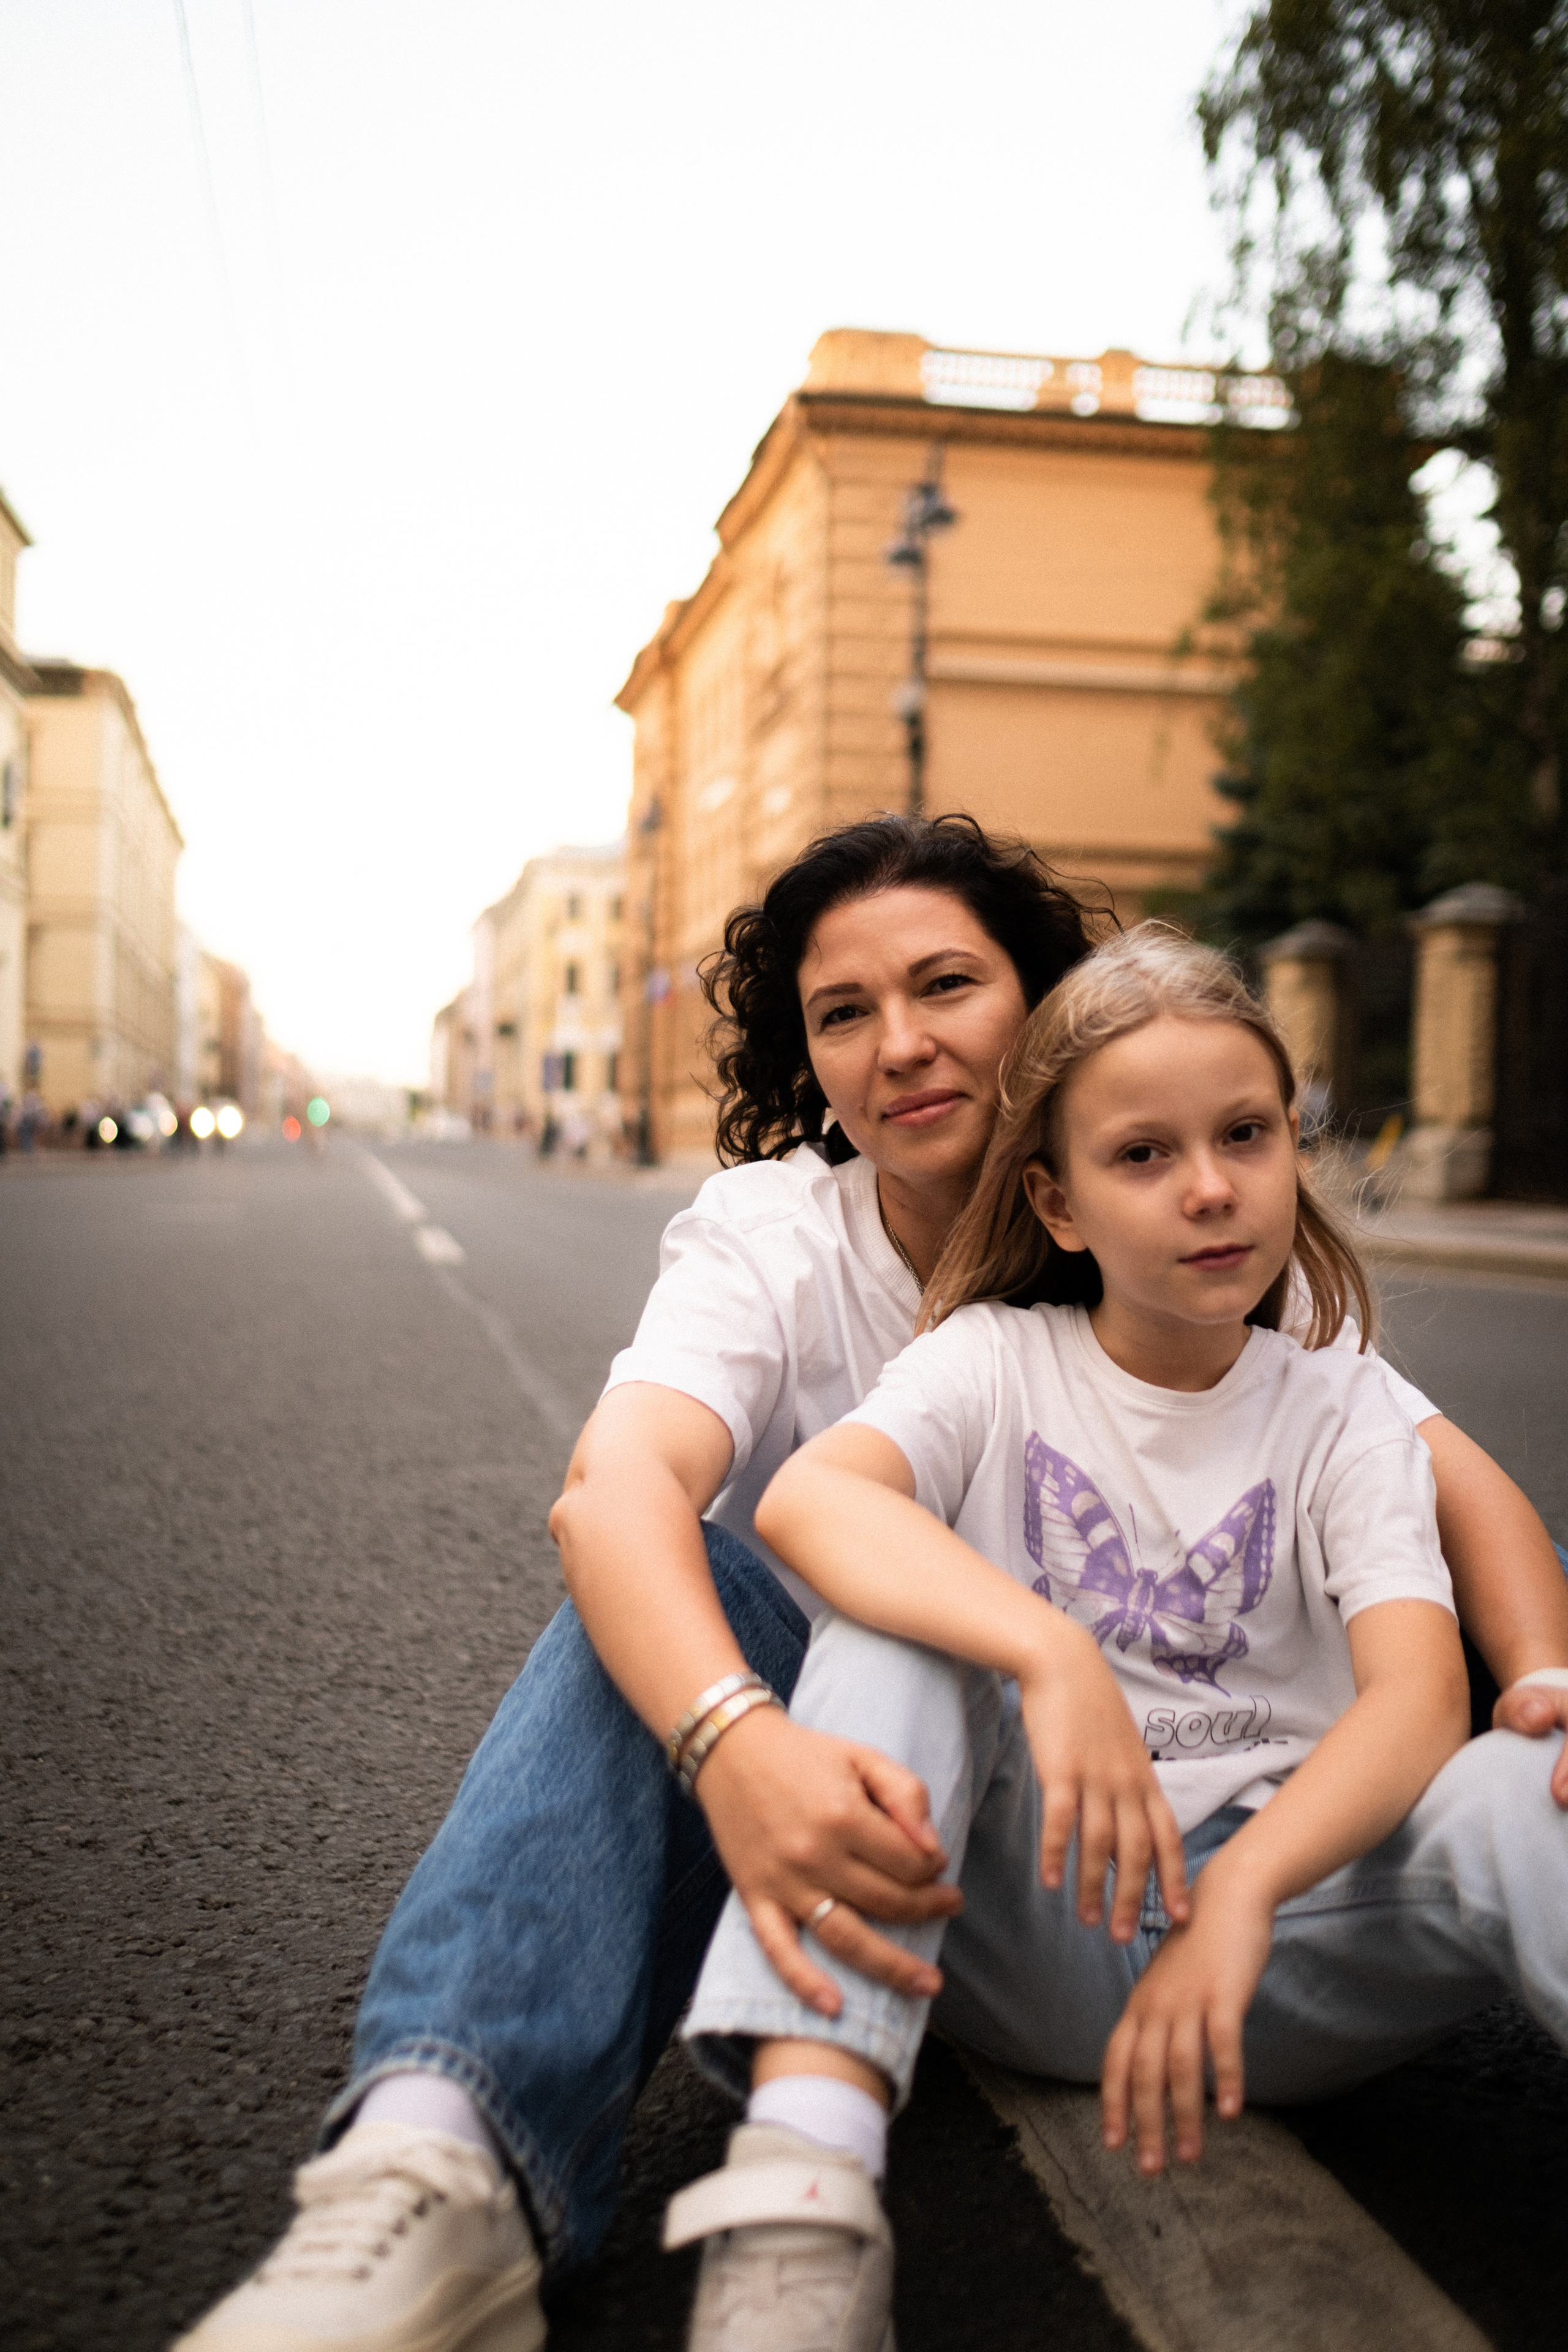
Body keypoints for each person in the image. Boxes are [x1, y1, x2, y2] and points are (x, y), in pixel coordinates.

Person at [176, 823, 1568, 2352]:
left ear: (1042, 1006)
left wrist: (1539, 1691)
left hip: (1233, 1838)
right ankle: (440, 2152)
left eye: (947, 985)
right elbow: (618, 1491)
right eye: (842, 1013)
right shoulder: (784, 1238)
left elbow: (1449, 1483)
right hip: (919, 1784)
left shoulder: (1210, 1243)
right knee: (722, 1581)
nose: (897, 1044)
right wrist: (740, 1747)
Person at [666, 925, 1568, 2352]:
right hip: (1014, 1929)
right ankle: (800, 2192)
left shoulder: (1337, 1404)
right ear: (1059, 1200)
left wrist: (1246, 1892)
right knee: (893, 1629)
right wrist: (1048, 1650)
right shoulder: (991, 1361)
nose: (1209, 1189)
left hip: (1280, 1952)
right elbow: (806, 1499)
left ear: (1293, 1146)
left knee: (1532, 1775)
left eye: (1246, 1135)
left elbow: (1408, 1700)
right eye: (1141, 1155)